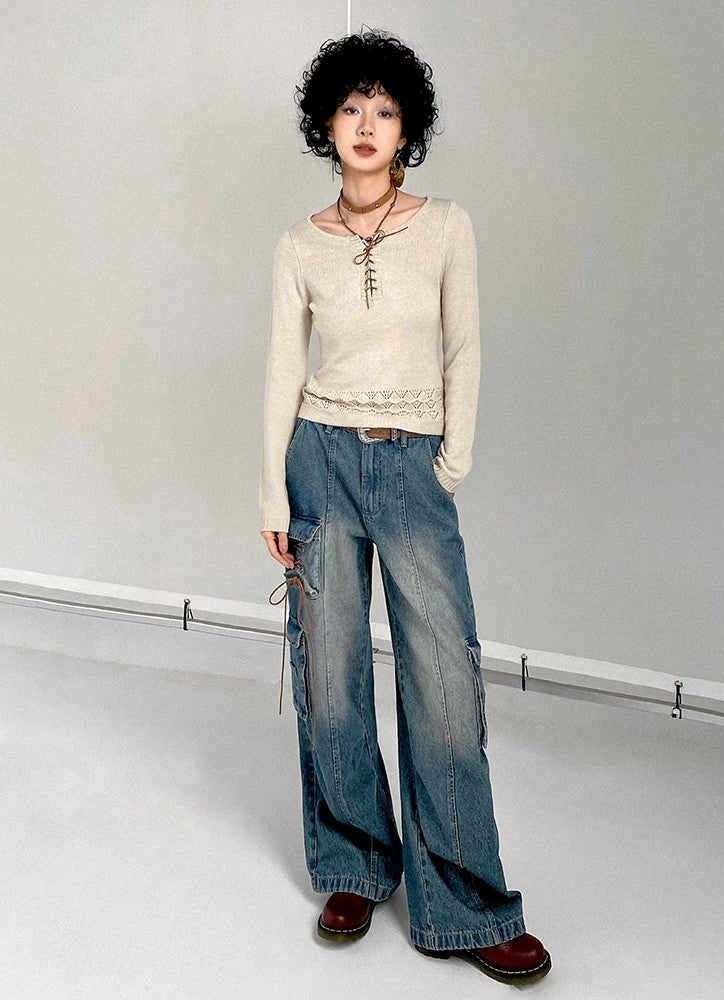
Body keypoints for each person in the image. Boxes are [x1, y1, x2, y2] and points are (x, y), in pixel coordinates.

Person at [259, 28, 551, 987]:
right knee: (332, 675)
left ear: (406, 128)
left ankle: (465, 903)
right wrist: (271, 489)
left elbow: (465, 347)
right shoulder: (299, 244)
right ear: (326, 124)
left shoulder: (447, 225)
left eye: (384, 110)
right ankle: (354, 863)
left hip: (414, 464)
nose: (366, 125)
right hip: (319, 461)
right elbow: (282, 372)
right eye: (350, 108)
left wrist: (449, 463)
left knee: (444, 683)